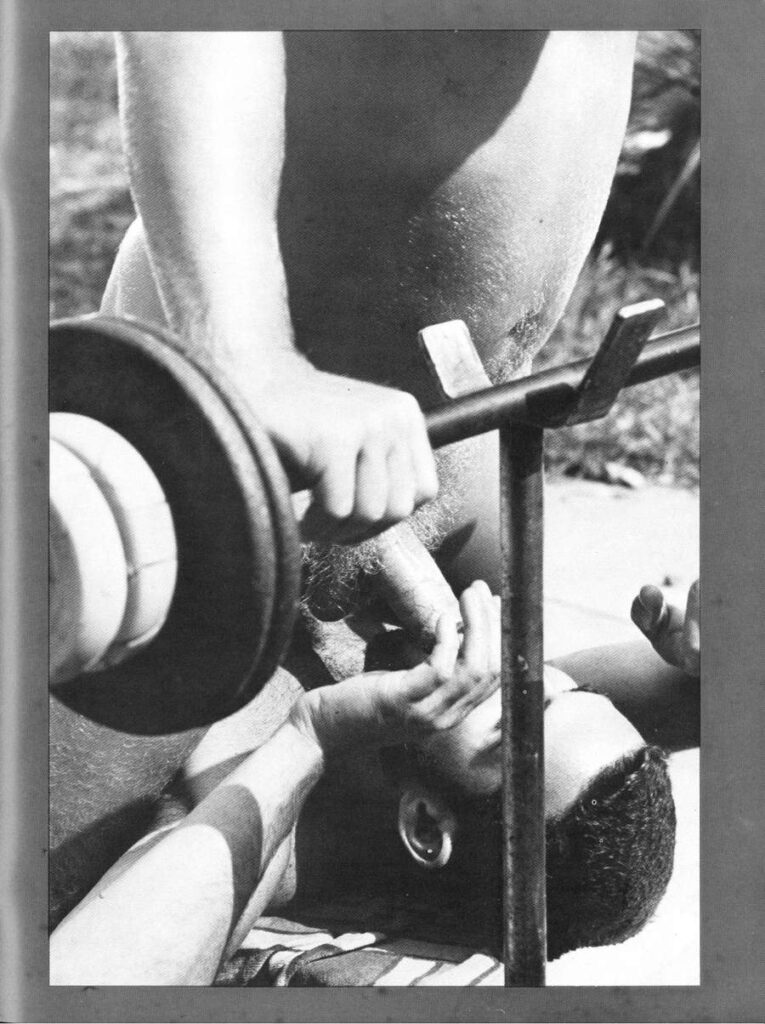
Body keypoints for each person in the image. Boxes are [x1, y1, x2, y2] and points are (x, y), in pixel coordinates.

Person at [50, 576, 699, 985]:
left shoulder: (224, 843)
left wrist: (311, 736)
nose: (514, 666)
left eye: (517, 714)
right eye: (576, 689)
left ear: (425, 825)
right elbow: (694, 687)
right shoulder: (408, 691)